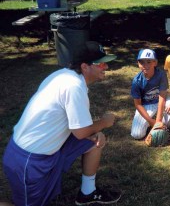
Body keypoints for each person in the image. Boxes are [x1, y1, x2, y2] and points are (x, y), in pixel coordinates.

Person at [2, 41, 121, 206]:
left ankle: (87, 193)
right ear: (85, 66)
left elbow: (79, 129)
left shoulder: (64, 75)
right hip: (29, 161)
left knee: (95, 140)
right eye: (100, 63)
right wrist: (104, 122)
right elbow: (80, 132)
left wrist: (95, 132)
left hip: (43, 151)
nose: (106, 67)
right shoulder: (74, 87)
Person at [130, 49, 169, 139]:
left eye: (149, 62)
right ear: (138, 64)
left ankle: (161, 121)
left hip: (160, 101)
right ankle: (152, 122)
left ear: (155, 62)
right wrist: (151, 121)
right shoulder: (137, 81)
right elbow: (138, 104)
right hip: (146, 105)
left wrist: (158, 121)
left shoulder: (161, 74)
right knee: (137, 135)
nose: (145, 65)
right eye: (142, 62)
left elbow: (162, 96)